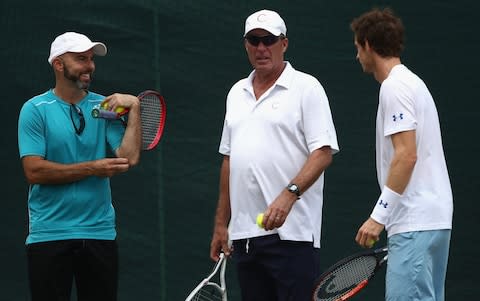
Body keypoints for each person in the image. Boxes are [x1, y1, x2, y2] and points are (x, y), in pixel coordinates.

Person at [210, 9, 339, 301]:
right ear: (246, 45)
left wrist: (288, 194)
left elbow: (322, 153)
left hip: (292, 237)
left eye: (269, 40)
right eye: (254, 40)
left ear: (284, 43)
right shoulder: (236, 93)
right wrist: (221, 223)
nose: (261, 48)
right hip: (244, 238)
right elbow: (230, 160)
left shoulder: (307, 88)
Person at [17, 32, 142, 300]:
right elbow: (34, 171)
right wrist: (92, 168)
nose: (89, 65)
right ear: (59, 64)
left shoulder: (104, 107)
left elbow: (128, 157)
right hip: (49, 235)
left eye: (91, 59)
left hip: (99, 233)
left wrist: (135, 108)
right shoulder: (35, 109)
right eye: (81, 59)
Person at [350, 8, 453, 301]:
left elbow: (406, 156)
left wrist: (378, 217)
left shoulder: (394, 87)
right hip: (433, 222)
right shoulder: (414, 83)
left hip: (414, 222)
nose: (357, 55)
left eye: (358, 47)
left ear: (368, 44)